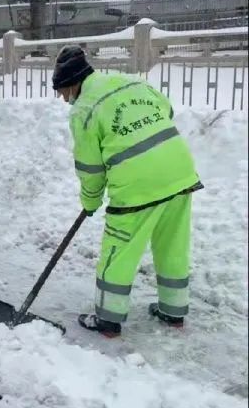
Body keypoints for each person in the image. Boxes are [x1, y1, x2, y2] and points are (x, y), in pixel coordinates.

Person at [53, 44, 202, 338]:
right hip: (179, 173)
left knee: (118, 251)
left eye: (61, 90)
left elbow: (91, 168)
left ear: (72, 84)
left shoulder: (84, 110)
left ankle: (108, 320)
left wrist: (90, 201)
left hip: (138, 187)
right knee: (172, 244)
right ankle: (173, 312)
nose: (62, 98)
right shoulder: (128, 81)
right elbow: (166, 110)